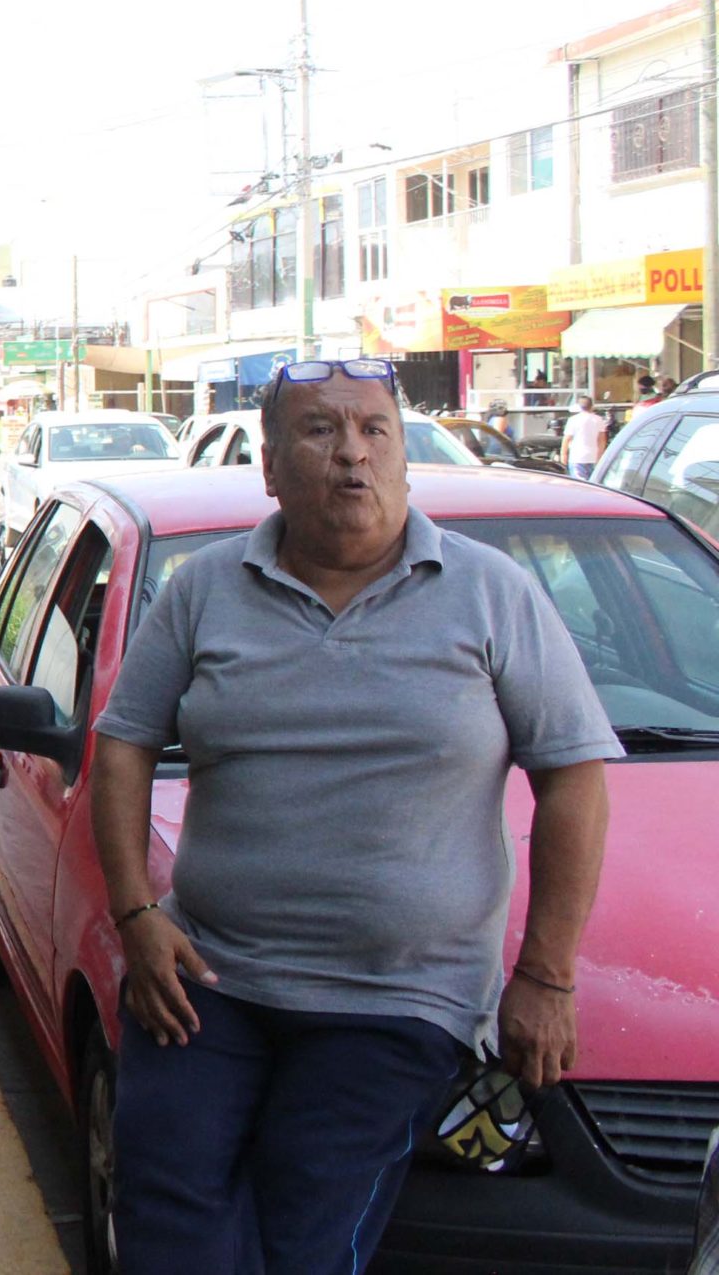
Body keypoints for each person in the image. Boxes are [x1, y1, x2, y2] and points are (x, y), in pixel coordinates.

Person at [91, 359, 618, 1274]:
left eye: (375, 431)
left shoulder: (490, 592)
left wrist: (548, 974)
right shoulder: (204, 589)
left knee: (307, 1230)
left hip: (397, 998)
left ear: (404, 458)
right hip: (209, 976)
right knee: (165, 1217)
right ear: (269, 465)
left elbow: (573, 776)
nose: (351, 456)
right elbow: (124, 743)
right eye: (320, 430)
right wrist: (137, 914)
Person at [560, 394, 609, 480]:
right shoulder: (598, 419)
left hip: (577, 457)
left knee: (580, 485)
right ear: (592, 406)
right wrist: (600, 456)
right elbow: (602, 440)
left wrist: (563, 455)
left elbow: (567, 439)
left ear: (579, 407)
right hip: (593, 456)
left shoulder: (573, 420)